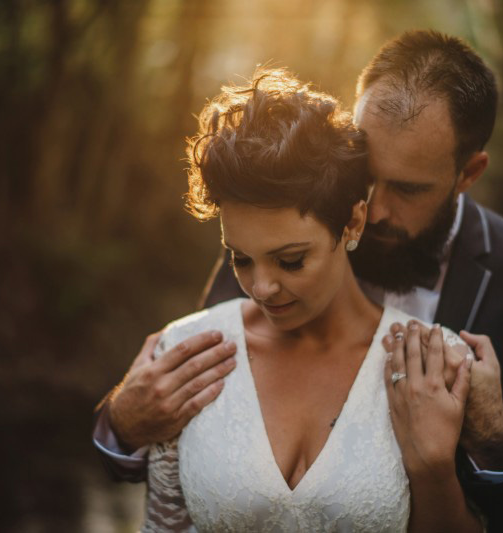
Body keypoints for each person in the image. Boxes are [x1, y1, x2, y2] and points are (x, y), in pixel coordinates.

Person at [95, 30, 503, 532]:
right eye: (366, 174)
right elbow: (197, 439)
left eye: (408, 188)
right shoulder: (276, 229)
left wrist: (493, 435)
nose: (374, 208)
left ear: (469, 172)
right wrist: (123, 423)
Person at [133, 68, 482, 531]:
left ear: (353, 223)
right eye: (241, 258)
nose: (262, 288)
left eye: (291, 260)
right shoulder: (183, 356)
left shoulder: (434, 365)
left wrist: (434, 469)